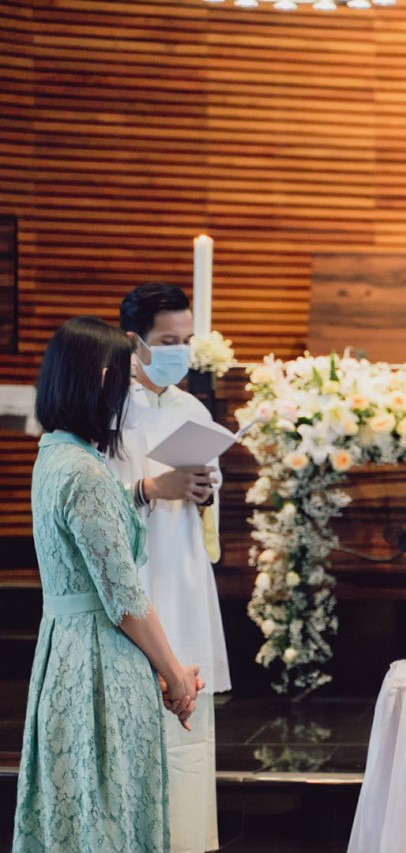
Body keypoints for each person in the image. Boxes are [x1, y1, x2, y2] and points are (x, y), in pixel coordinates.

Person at [13, 315, 202, 853]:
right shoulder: (85, 472)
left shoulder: (54, 455)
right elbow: (124, 599)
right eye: (127, 381)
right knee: (110, 809)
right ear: (101, 381)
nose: (132, 395)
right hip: (100, 659)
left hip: (65, 650)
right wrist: (175, 676)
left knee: (78, 807)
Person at [107, 282, 230, 853]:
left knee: (190, 726)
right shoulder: (107, 406)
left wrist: (203, 490)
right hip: (136, 575)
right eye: (166, 341)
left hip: (183, 569)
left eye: (186, 340)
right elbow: (89, 501)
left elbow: (208, 492)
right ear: (134, 341)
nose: (179, 351)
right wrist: (152, 488)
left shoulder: (191, 408)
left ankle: (186, 838)